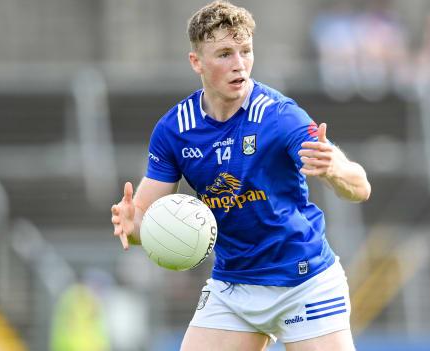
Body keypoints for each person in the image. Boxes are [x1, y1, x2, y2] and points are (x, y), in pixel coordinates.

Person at [110, 1, 371, 350]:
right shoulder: (175, 129)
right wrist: (133, 225)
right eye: (224, 54)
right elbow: (146, 219)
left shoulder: (279, 115)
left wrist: (336, 170)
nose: (239, 65)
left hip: (304, 282)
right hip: (233, 287)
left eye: (245, 51)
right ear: (196, 62)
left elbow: (361, 187)